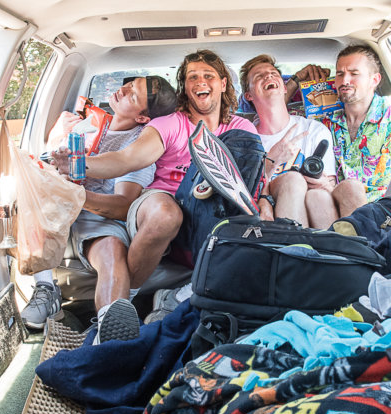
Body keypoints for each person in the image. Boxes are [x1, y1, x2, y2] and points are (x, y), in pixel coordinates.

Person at [55, 49, 259, 267]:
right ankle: (132, 287)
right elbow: (127, 159)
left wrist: (264, 202)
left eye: (208, 75)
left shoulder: (241, 128)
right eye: (193, 77)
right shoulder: (169, 124)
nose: (201, 81)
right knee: (166, 213)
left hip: (218, 211)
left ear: (223, 84)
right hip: (168, 205)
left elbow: (255, 177)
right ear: (185, 87)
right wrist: (75, 163)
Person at [20, 75, 178, 344]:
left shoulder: (139, 146)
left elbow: (122, 206)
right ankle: (46, 289)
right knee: (30, 186)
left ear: (142, 117)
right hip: (58, 209)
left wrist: (76, 196)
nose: (123, 90)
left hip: (98, 218)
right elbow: (51, 161)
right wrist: (55, 144)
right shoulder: (88, 125)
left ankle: (109, 332)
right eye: (129, 84)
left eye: (132, 95)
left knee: (112, 251)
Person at [239, 55, 338, 228]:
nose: (268, 76)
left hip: (315, 209)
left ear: (285, 88)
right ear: (248, 95)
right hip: (268, 220)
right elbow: (244, 195)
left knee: (320, 194)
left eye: (273, 73)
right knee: (292, 180)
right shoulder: (245, 140)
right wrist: (271, 161)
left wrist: (325, 185)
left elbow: (328, 185)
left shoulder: (315, 130)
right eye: (259, 76)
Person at [318, 44, 391, 213]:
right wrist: (295, 81)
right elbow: (277, 117)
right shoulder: (326, 122)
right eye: (340, 74)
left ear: (374, 80)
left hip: (386, 211)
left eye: (354, 74)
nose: (344, 81)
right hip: (338, 209)